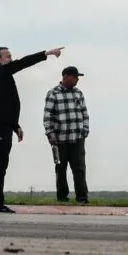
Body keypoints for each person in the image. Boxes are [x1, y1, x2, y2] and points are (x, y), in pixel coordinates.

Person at [0, 45, 64, 213]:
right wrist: (46, 53)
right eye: (7, 56)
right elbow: (23, 63)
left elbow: (5, 104)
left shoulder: (2, 75)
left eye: (10, 56)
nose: (11, 59)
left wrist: (15, 125)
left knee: (1, 165)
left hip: (4, 125)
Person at [43, 66, 90, 204]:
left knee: (79, 168)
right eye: (75, 77)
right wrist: (50, 133)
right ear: (66, 77)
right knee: (60, 169)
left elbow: (85, 113)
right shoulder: (53, 93)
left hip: (77, 138)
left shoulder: (78, 93)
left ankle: (82, 197)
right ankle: (62, 197)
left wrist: (85, 130)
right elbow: (47, 116)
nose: (77, 80)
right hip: (59, 140)